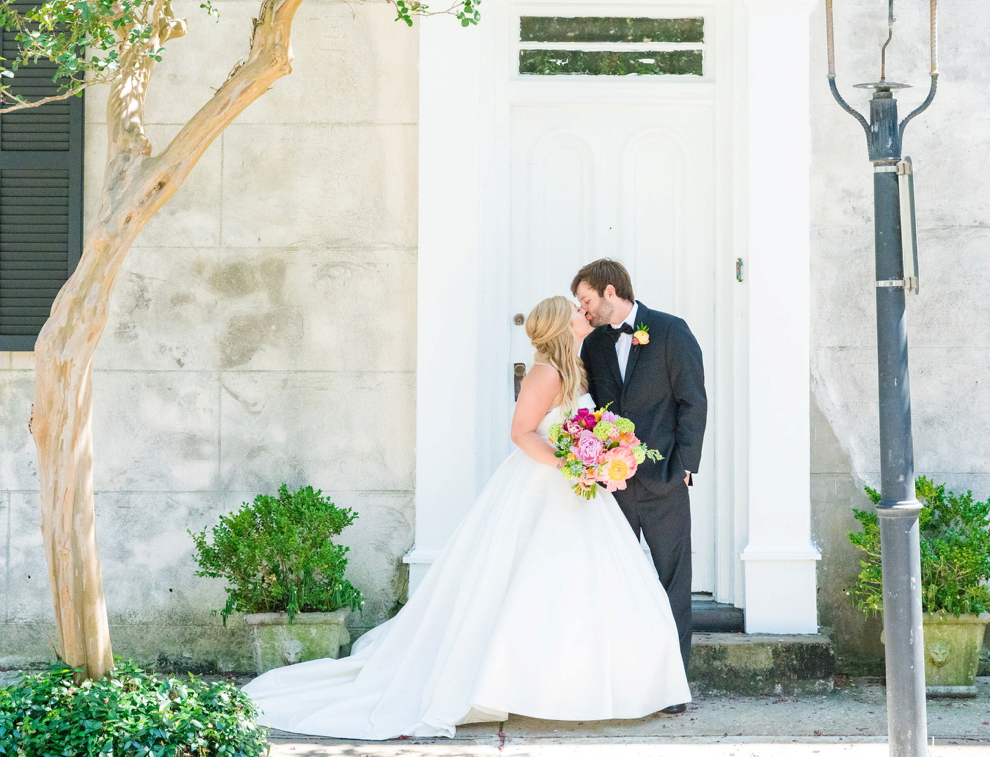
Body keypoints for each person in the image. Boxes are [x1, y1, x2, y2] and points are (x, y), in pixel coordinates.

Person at [243, 295, 690, 739]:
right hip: (544, 485)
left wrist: (595, 456)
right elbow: (521, 433)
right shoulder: (545, 372)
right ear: (560, 324)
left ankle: (588, 685)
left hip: (575, 491)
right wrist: (573, 464)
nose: (583, 312)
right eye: (575, 309)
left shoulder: (573, 366)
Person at [573, 258, 708, 693]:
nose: (585, 310)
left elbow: (693, 401)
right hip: (612, 487)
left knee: (672, 585)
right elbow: (590, 411)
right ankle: (625, 684)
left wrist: (685, 468)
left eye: (587, 300)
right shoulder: (591, 346)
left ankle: (673, 687)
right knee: (614, 584)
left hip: (665, 480)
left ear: (610, 292)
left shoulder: (671, 331)